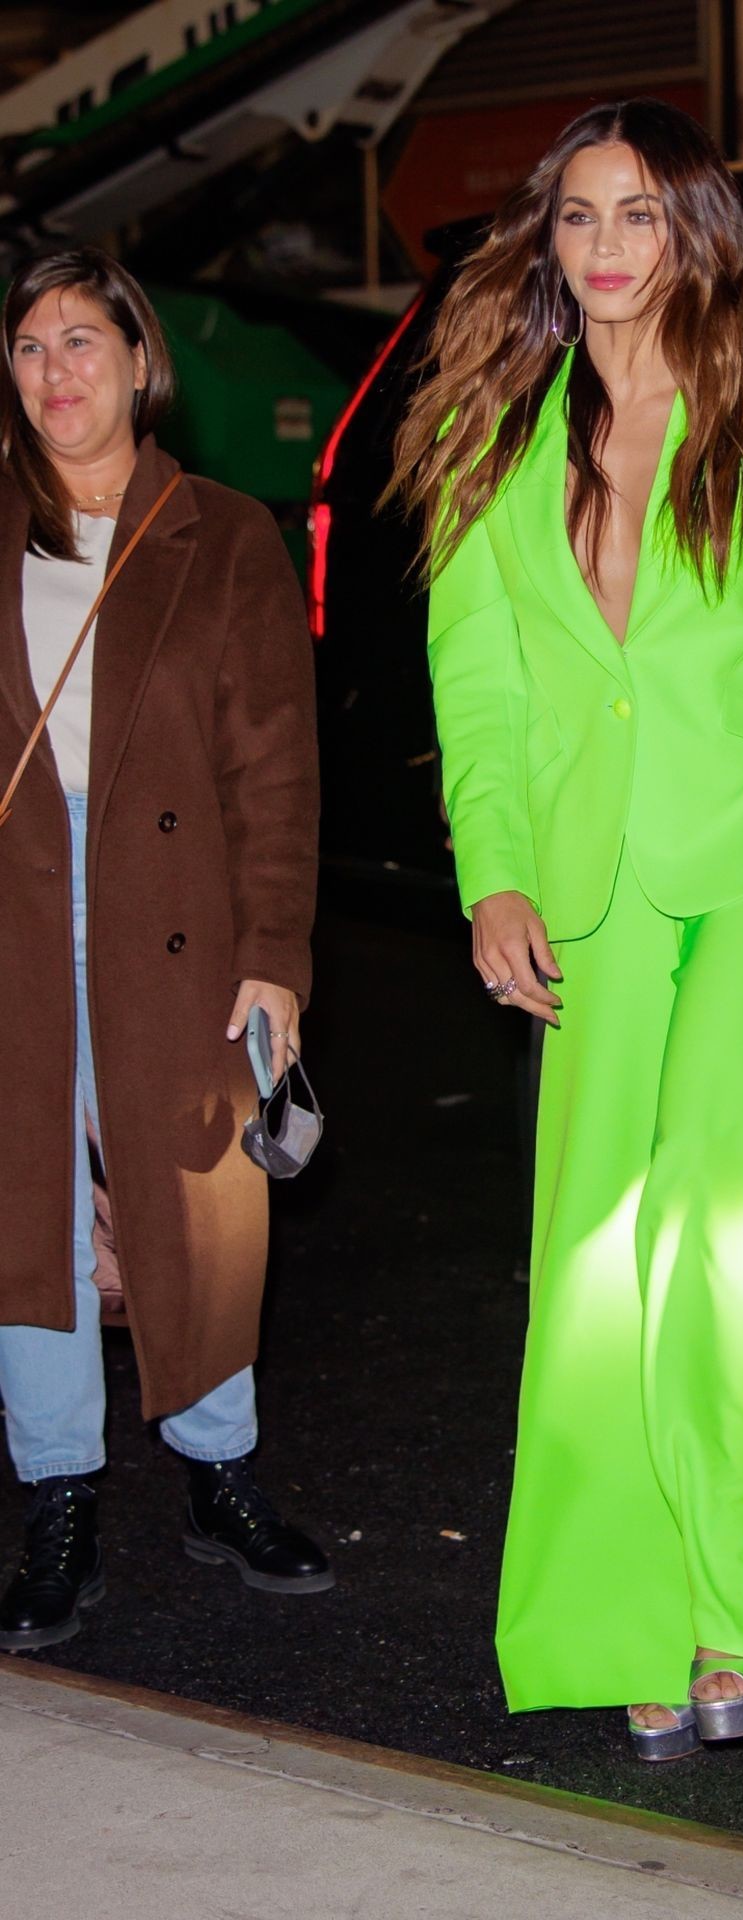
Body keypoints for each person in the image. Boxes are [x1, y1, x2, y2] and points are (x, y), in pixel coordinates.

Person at [388, 99, 743, 1759]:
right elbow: (479, 686)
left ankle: (738, 1597)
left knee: (713, 1193)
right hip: (586, 872)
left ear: (696, 230)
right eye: (578, 215)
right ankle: (627, 1605)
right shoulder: (493, 431)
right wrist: (491, 875)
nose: (606, 244)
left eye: (638, 212)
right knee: (595, 1240)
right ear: (548, 241)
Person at [0, 247, 332, 1653]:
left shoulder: (225, 533)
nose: (55, 371)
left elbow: (276, 764)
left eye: (81, 340)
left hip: (174, 898)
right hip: (19, 902)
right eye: (28, 347)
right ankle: (58, 1497)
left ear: (142, 362)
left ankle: (218, 1469)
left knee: (200, 1194)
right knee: (25, 1205)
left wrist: (276, 948)